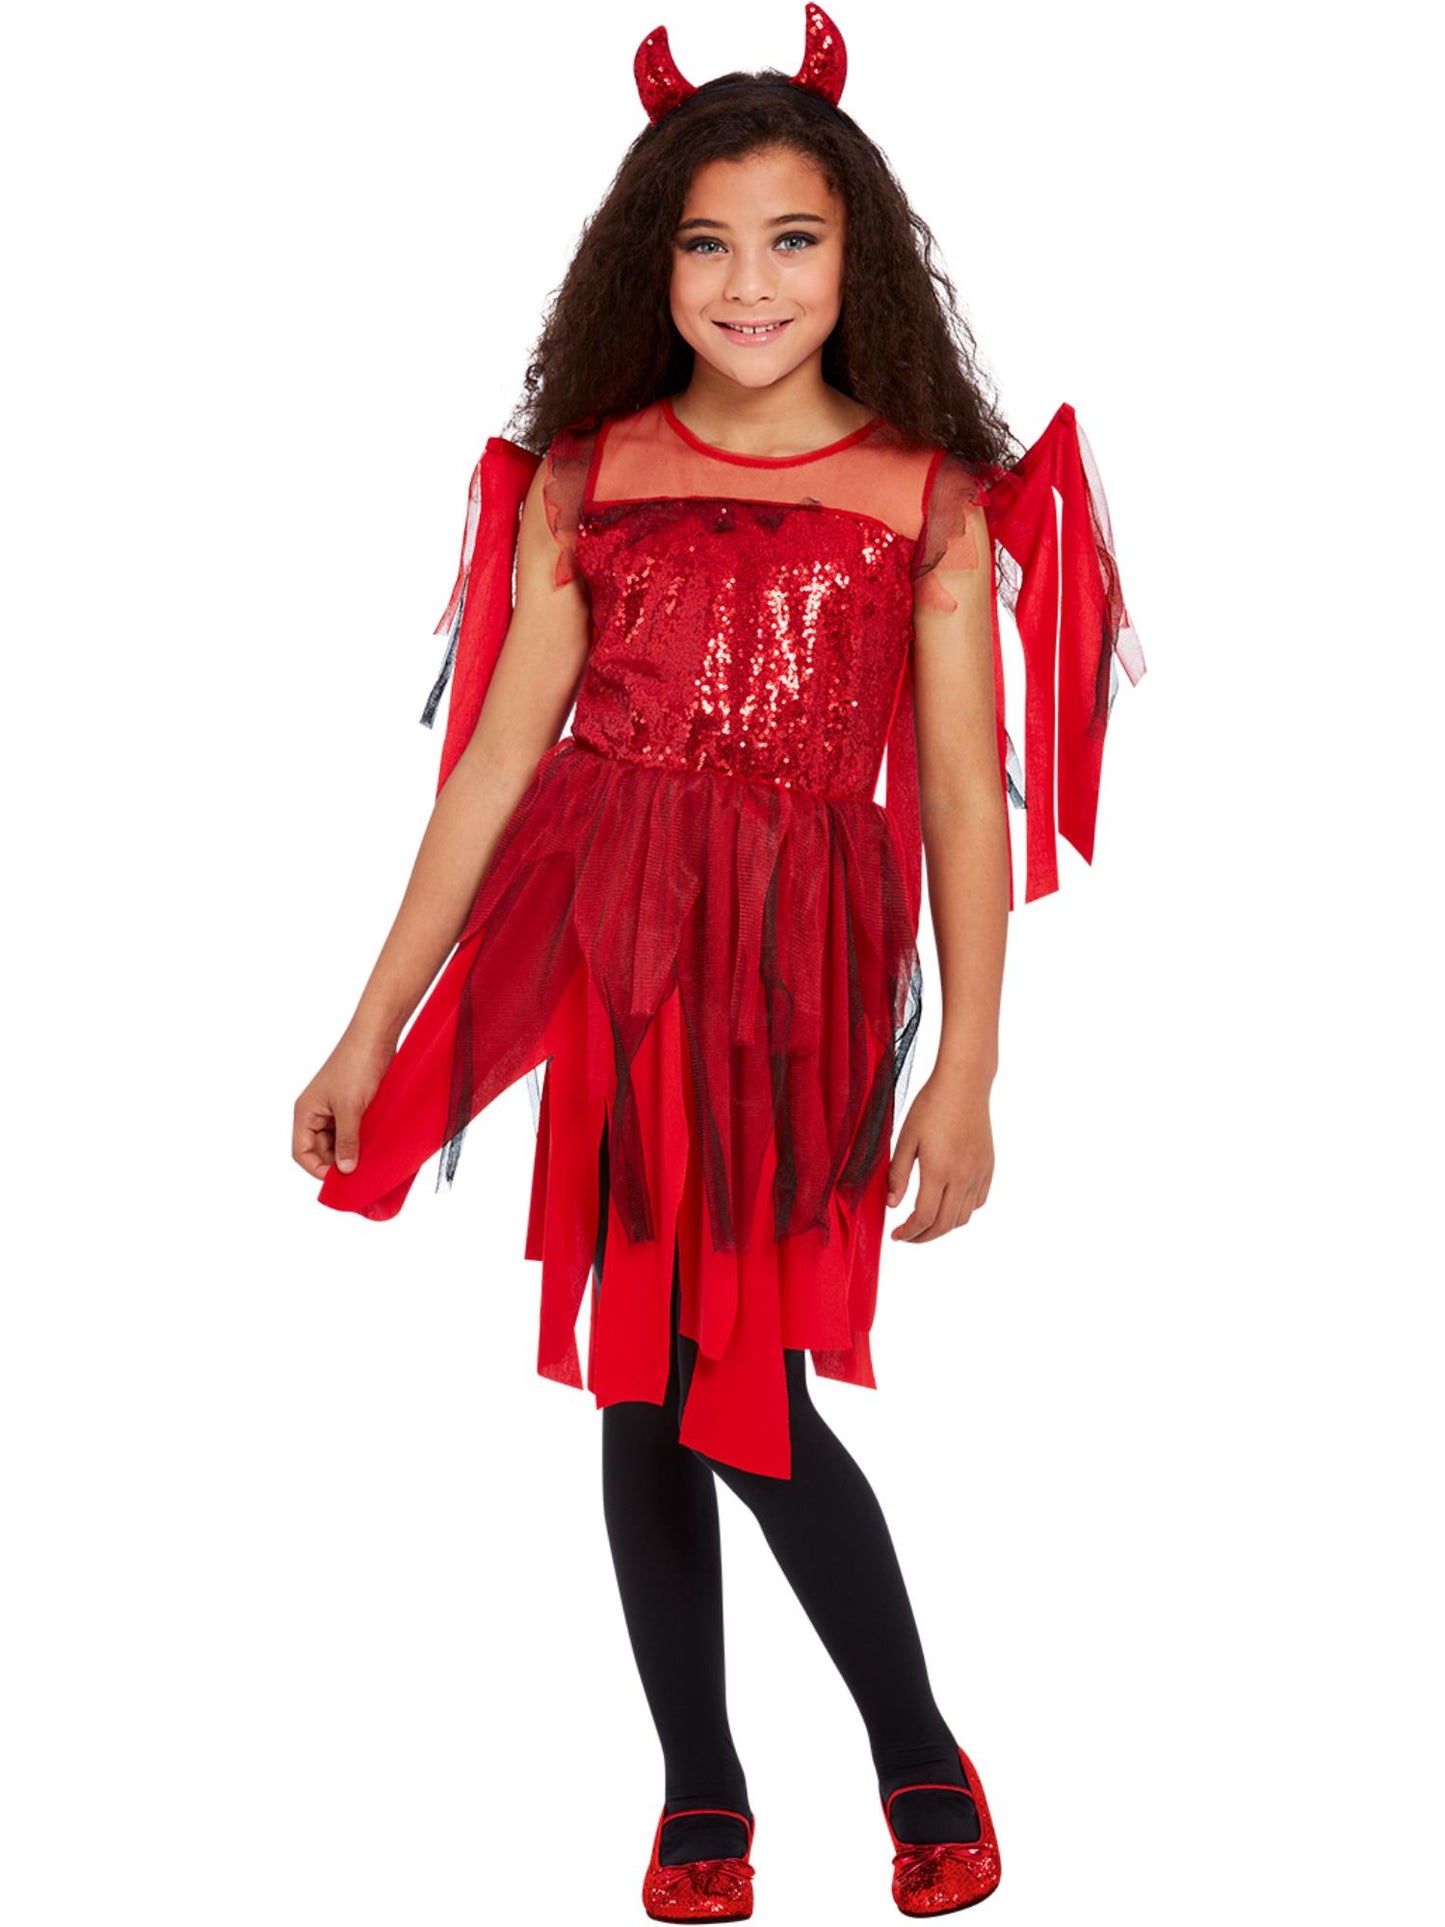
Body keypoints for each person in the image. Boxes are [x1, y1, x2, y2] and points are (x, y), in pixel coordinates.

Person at [292, 8, 1144, 1918]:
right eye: (705, 242)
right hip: (615, 961)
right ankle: (701, 1784)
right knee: (643, 1381)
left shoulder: (924, 495)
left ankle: (914, 1746)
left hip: (796, 989)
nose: (748, 283)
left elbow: (959, 797)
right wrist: (367, 1030)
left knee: (731, 1371)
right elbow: (495, 766)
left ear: (859, 258)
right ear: (647, 261)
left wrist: (968, 1069)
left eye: (791, 240)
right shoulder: (590, 474)